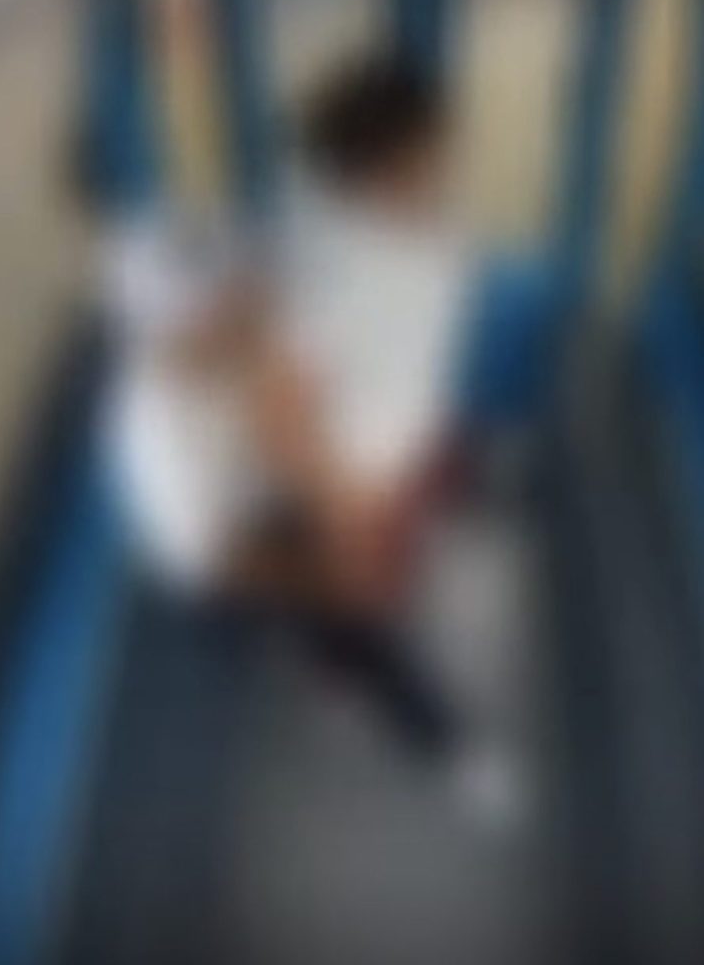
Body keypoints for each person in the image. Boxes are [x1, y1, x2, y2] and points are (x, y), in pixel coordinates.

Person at [107, 53, 481, 761]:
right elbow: (218, 553)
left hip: (340, 489)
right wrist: (340, 543)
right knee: (355, 618)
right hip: (282, 538)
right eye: (232, 311)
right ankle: (423, 727)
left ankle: (348, 648)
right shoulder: (158, 443)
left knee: (361, 591)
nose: (257, 311)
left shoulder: (290, 274)